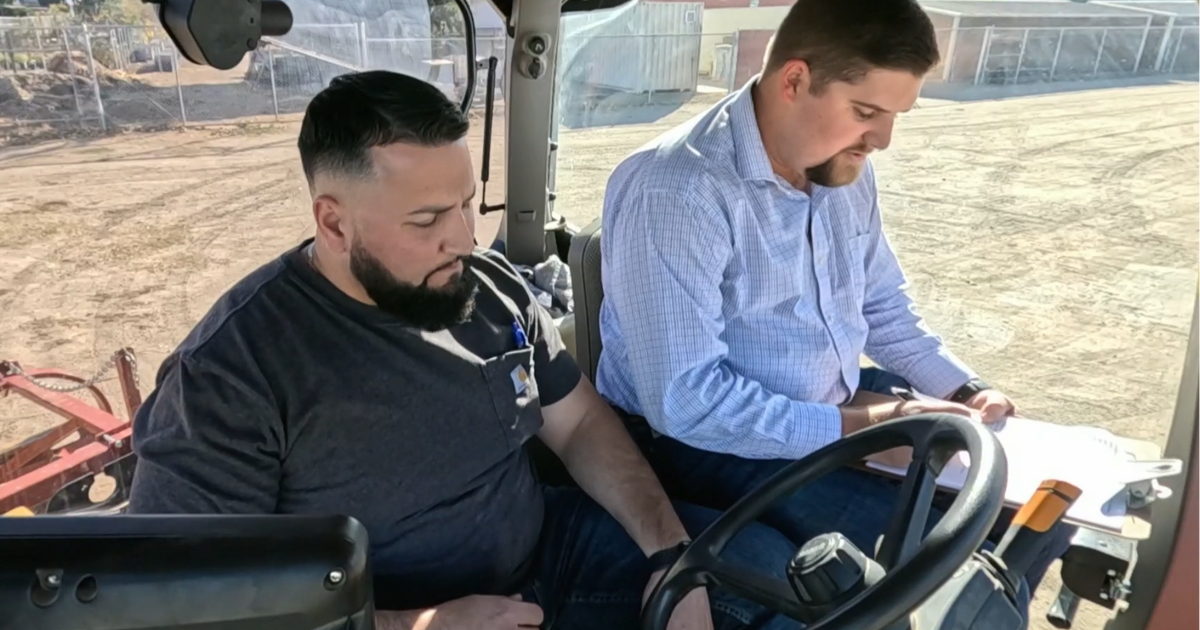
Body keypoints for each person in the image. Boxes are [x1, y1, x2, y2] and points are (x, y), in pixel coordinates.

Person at [125, 70, 804, 630]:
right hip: (381, 615)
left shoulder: (488, 288)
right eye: (426, 221)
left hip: (554, 553)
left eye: (466, 205)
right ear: (333, 222)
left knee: (778, 579)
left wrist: (668, 552)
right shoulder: (231, 373)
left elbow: (581, 425)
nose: (465, 241)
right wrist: (423, 624)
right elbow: (185, 602)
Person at [595, 0, 1073, 612]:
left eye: (895, 116)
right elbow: (685, 402)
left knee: (1038, 510)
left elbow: (882, 306)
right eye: (867, 112)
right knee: (946, 557)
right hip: (703, 445)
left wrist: (961, 390)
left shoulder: (842, 166)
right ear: (794, 80)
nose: (883, 140)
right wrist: (864, 425)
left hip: (833, 399)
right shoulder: (677, 190)